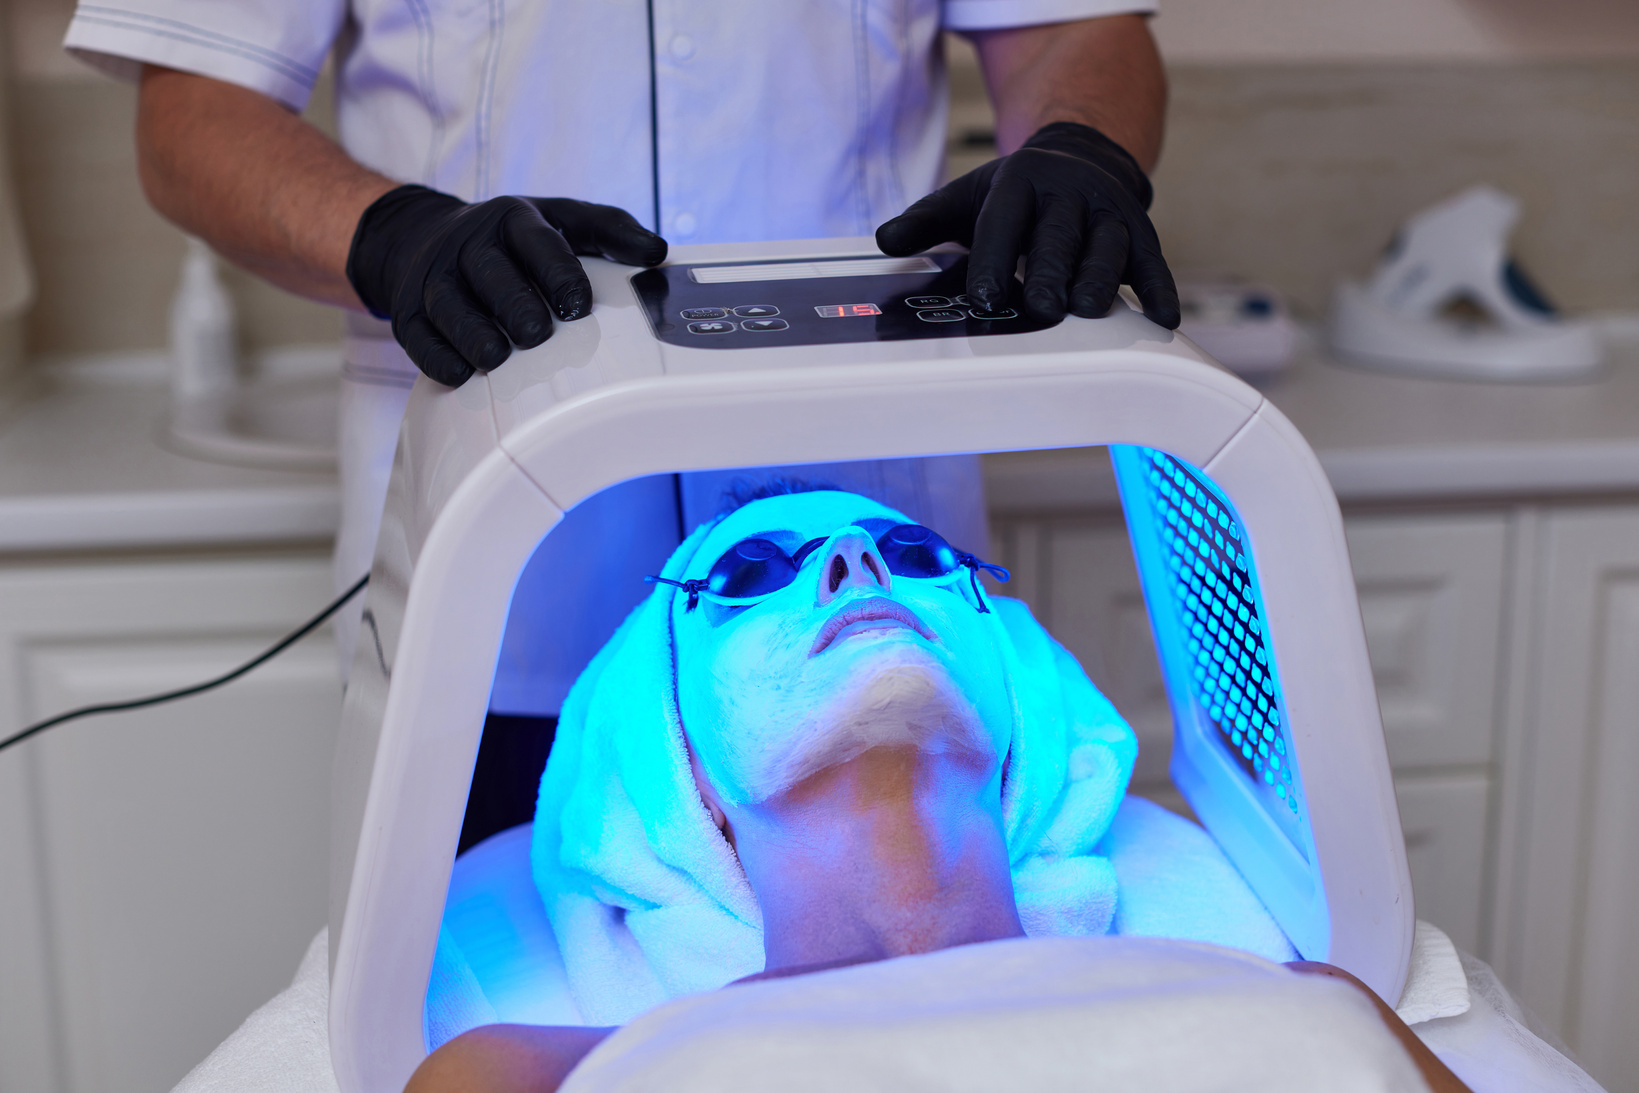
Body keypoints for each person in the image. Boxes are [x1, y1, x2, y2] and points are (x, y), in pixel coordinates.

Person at [63, 0, 1182, 687]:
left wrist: (1082, 149)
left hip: (870, 565)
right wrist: (396, 240)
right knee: (502, 1031)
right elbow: (193, 112)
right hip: (495, 570)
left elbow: (1076, 25)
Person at [406, 485, 1471, 1093]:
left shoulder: (1314, 1010)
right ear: (678, 767)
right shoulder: (516, 1080)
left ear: (1023, 718)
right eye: (748, 578)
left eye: (912, 552)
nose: (854, 569)